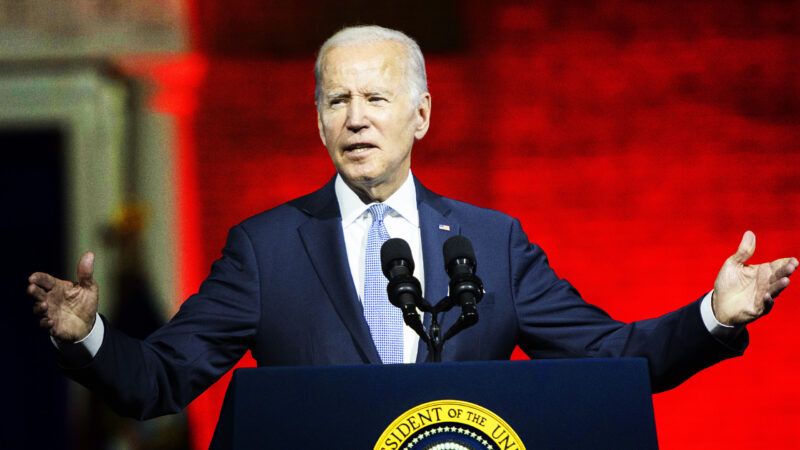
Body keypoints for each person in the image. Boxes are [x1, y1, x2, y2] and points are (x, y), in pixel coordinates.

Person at [28, 25, 797, 420]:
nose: (357, 119)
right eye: (338, 101)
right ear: (319, 121)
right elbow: (161, 380)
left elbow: (613, 355)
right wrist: (89, 337)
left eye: (377, 98)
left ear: (422, 115)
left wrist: (711, 316)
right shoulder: (264, 249)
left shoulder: (494, 244)